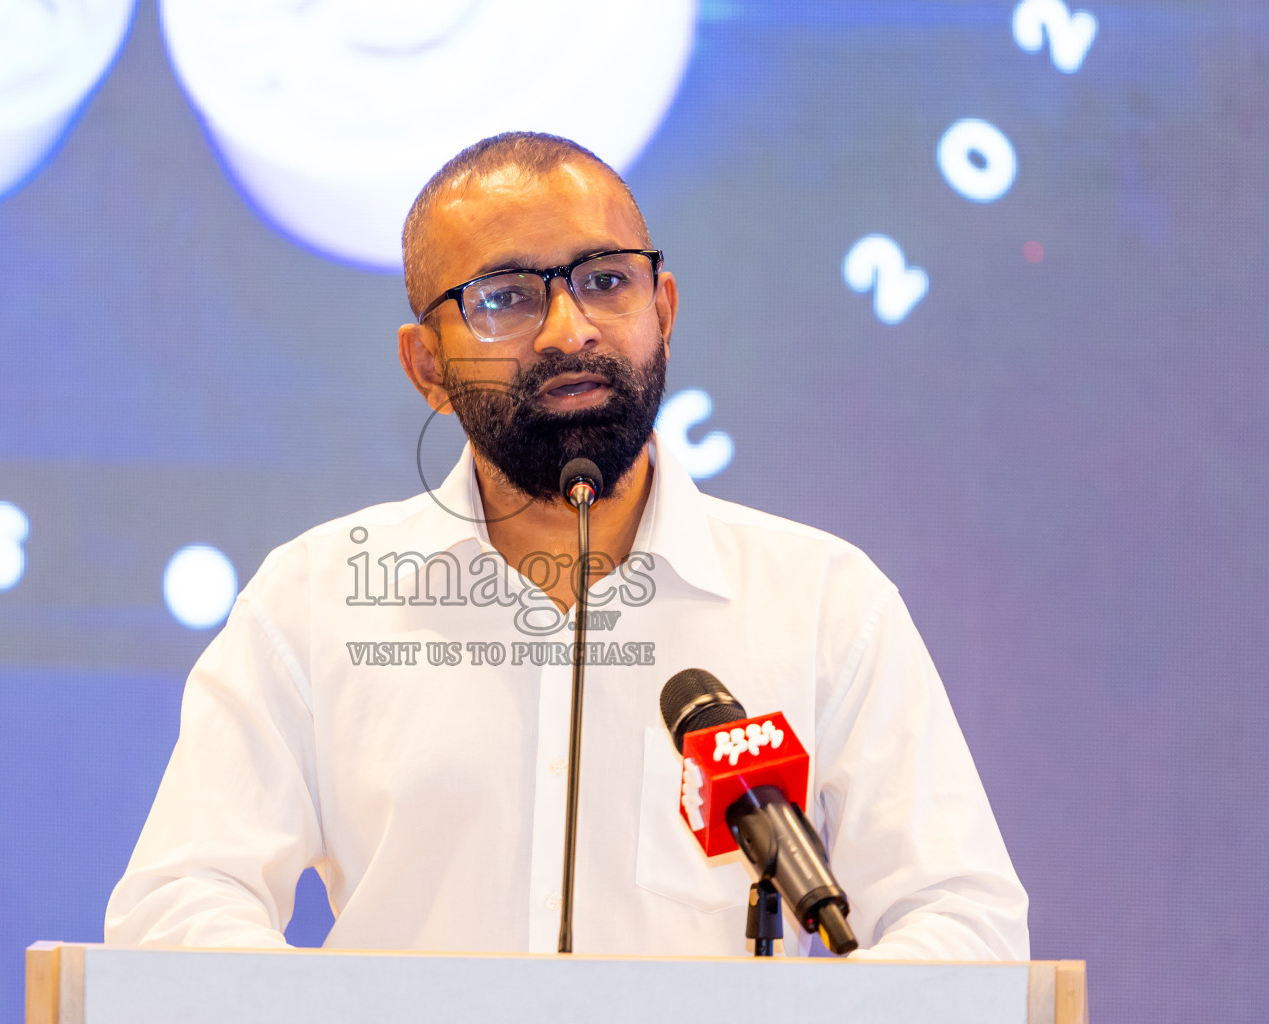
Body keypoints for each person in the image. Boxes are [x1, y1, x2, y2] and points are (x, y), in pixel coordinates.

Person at [105, 132, 1029, 959]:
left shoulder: (824, 601)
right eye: (505, 297)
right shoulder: (313, 600)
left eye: (606, 281)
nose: (571, 329)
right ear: (427, 365)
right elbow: (179, 902)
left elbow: (962, 919)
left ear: (662, 309)